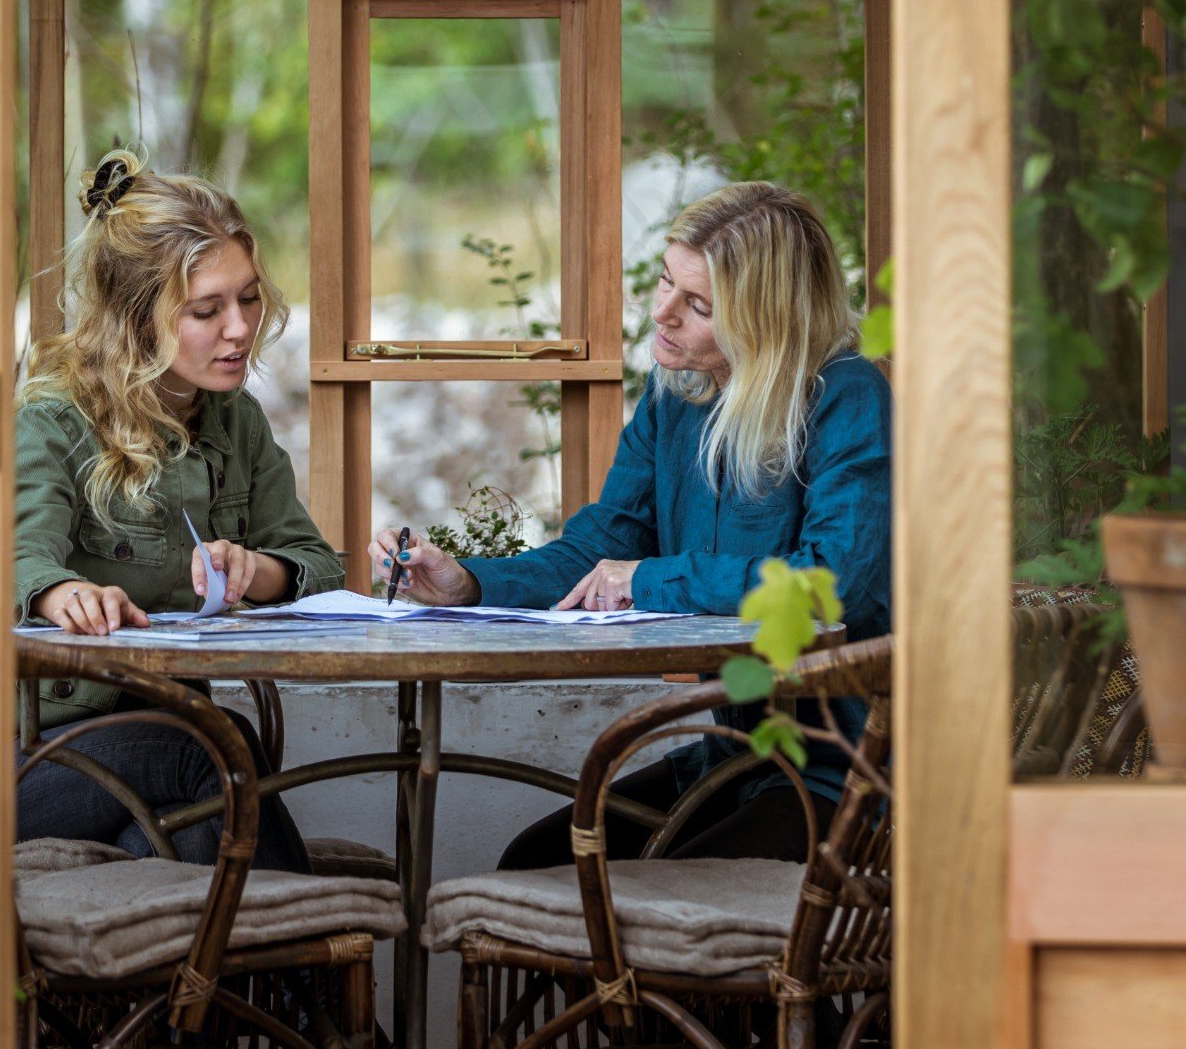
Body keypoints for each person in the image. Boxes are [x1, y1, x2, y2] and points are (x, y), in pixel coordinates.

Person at [368, 182, 890, 868]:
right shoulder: (678, 395)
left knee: (670, 887)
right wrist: (467, 581)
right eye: (666, 282)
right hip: (735, 757)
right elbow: (599, 549)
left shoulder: (845, 395)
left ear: (768, 321)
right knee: (537, 860)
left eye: (699, 306)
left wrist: (649, 579)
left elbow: (832, 584)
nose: (662, 313)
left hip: (841, 773)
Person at [13, 151, 342, 872]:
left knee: (178, 842)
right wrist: (65, 593)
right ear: (135, 319)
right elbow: (13, 559)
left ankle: (243, 949)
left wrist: (254, 568)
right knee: (219, 745)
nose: (240, 328)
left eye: (249, 298)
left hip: (159, 752)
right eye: (206, 310)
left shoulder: (237, 422)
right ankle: (316, 934)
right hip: (30, 754)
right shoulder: (53, 421)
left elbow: (319, 566)